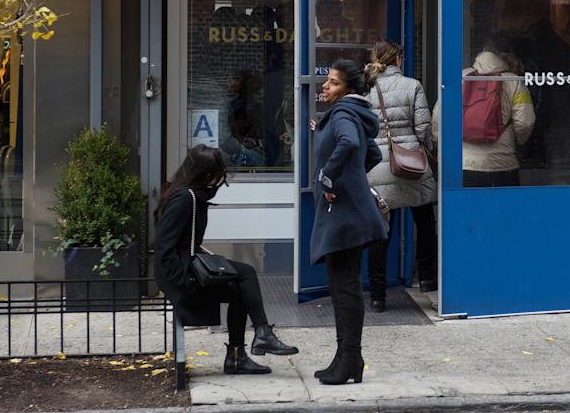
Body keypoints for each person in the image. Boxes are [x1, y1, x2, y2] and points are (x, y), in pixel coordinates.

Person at [153, 145, 298, 376]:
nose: (218, 180)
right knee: (246, 272)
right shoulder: (185, 198)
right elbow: (163, 247)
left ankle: (239, 357)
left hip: (184, 271)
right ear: (203, 173)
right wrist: (183, 282)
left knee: (241, 288)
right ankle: (260, 336)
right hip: (181, 279)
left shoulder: (190, 195)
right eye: (215, 174)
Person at [310, 59, 388, 384]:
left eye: (333, 82)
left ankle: (349, 361)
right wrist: (350, 178)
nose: (325, 86)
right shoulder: (349, 115)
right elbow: (373, 155)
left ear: (349, 90)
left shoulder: (343, 114)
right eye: (327, 81)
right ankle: (347, 359)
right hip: (348, 212)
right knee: (343, 285)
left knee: (345, 288)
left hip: (345, 216)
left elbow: (351, 145)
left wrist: (329, 177)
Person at [363, 39, 438, 311]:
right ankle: (428, 279)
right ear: (399, 60)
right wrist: (424, 150)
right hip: (411, 162)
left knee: (381, 231)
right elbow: (423, 126)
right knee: (425, 220)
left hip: (377, 165)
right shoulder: (413, 85)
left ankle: (378, 295)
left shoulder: (366, 88)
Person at [435, 32, 535, 188]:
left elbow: (438, 117)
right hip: (502, 163)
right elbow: (525, 122)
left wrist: (442, 146)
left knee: (469, 210)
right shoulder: (514, 82)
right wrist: (518, 142)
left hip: (464, 163)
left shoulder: (461, 77)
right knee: (504, 210)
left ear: (483, 50)